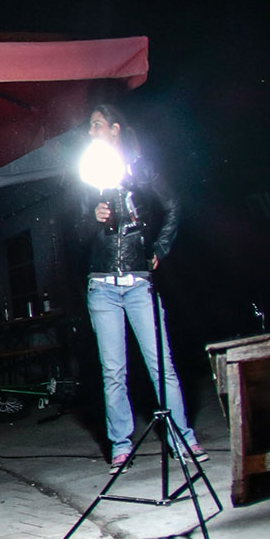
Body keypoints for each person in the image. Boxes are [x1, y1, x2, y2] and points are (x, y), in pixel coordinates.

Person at [83, 105, 206, 471]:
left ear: (115, 128)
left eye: (96, 124)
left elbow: (173, 206)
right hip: (102, 285)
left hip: (139, 284)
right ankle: (120, 446)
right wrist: (90, 216)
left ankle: (182, 438)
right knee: (113, 372)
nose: (90, 131)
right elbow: (74, 228)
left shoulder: (141, 167)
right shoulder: (86, 173)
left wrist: (159, 249)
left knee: (161, 364)